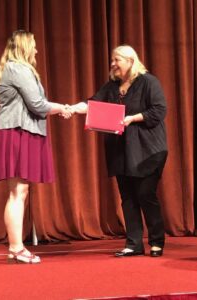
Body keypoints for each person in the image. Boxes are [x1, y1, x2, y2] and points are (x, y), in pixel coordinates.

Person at [69, 45, 168, 257]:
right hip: (121, 150)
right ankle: (134, 243)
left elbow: (159, 110)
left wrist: (133, 118)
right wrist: (73, 108)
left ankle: (156, 241)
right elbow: (94, 103)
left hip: (148, 149)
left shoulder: (148, 82)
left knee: (145, 194)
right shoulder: (112, 86)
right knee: (128, 197)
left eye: (117, 60)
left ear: (131, 61)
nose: (113, 64)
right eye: (112, 60)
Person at [0, 30, 71, 264]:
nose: (36, 50)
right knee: (18, 192)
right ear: (25, 47)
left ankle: (16, 247)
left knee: (20, 192)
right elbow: (37, 104)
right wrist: (64, 107)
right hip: (16, 131)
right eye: (33, 46)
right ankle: (16, 248)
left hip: (20, 130)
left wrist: (59, 108)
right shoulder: (18, 68)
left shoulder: (18, 69)